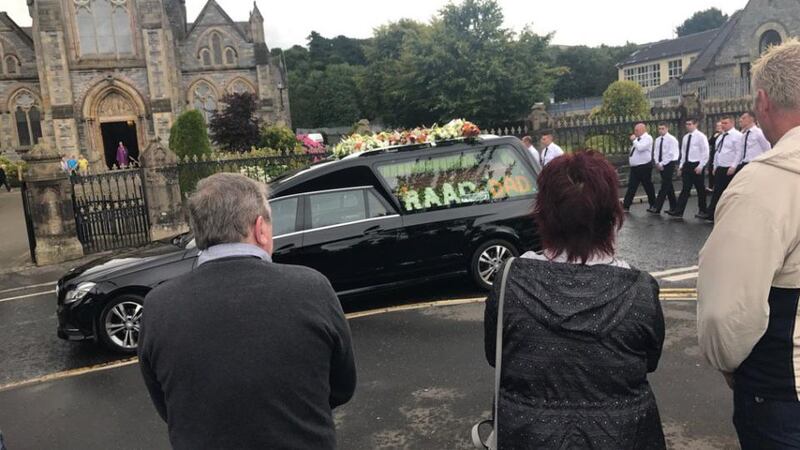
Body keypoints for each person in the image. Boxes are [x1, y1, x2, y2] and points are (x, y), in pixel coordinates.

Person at [138, 173, 357, 449]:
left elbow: (167, 406)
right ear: (260, 229)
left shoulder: (159, 305)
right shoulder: (312, 288)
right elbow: (342, 387)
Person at [484, 150, 665, 448]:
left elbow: (496, 356)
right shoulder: (641, 290)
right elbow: (650, 361)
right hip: (622, 437)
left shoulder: (509, 282)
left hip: (528, 436)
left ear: (543, 212)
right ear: (612, 214)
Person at [698, 39, 800, 449]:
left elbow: (726, 314)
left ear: (762, 101)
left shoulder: (764, 185)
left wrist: (729, 366)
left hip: (783, 392)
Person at [697, 116, 742, 222]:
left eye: (725, 123)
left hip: (730, 167)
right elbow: (718, 152)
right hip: (720, 167)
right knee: (717, 191)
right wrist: (715, 165)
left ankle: (731, 214)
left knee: (730, 193)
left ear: (732, 123)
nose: (722, 125)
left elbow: (739, 152)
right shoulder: (721, 136)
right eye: (722, 123)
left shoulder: (737, 136)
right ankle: (711, 214)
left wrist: (734, 166)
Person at [667, 119, 709, 219]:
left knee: (700, 189)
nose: (688, 126)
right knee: (685, 189)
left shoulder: (701, 137)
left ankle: (703, 210)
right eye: (686, 124)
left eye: (690, 124)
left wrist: (701, 166)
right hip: (687, 165)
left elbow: (705, 152)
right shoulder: (686, 137)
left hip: (697, 164)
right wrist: (681, 166)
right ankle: (679, 211)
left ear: (696, 124)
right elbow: (684, 153)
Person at [622, 123, 656, 212]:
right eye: (635, 130)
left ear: (642, 130)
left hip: (644, 166)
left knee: (648, 186)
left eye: (636, 130)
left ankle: (653, 204)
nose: (635, 132)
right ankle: (626, 206)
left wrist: (634, 140)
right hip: (635, 167)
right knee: (632, 187)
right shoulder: (638, 139)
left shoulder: (648, 138)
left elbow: (641, 148)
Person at [648, 123, 680, 214]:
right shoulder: (658, 140)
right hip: (660, 164)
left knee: (665, 185)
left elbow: (671, 154)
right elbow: (656, 152)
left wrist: (662, 163)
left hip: (669, 163)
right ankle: (674, 206)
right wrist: (657, 162)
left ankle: (657, 207)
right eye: (659, 129)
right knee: (669, 186)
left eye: (662, 128)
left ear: (667, 129)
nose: (661, 130)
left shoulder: (672, 140)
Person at [707, 121, 723, 192]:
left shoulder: (724, 134)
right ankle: (711, 186)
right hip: (713, 154)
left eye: (719, 126)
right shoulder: (715, 134)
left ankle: (716, 186)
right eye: (717, 126)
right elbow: (710, 142)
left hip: (720, 155)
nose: (718, 127)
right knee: (711, 170)